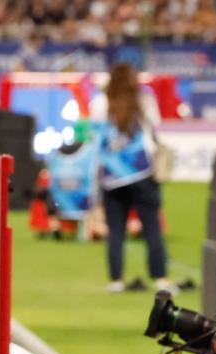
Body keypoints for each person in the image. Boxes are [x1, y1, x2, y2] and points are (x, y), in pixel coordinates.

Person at [89, 63, 174, 294]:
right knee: (152, 227)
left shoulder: (100, 102)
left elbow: (95, 138)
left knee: (116, 230)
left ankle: (116, 280)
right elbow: (156, 128)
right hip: (141, 171)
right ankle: (160, 279)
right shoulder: (144, 99)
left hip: (111, 174)